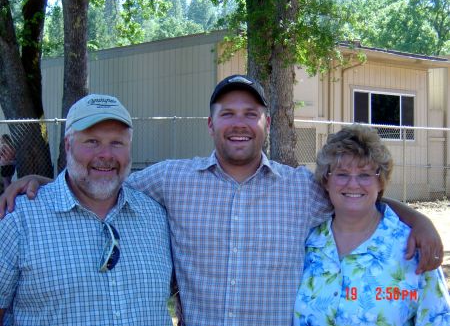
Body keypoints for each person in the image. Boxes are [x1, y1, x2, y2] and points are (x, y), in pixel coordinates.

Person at [0, 76, 444, 326]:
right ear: (210, 123)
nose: (239, 123)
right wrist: (44, 180)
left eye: (250, 114)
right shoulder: (169, 180)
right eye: (227, 113)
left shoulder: (300, 188)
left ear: (267, 123)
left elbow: (354, 192)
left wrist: (416, 219)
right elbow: (102, 178)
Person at [0, 94, 173, 325]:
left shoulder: (156, 217)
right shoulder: (18, 220)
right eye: (92, 141)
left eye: (117, 142)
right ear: (68, 144)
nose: (106, 155)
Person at [293, 124, 450, 325]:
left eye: (365, 175)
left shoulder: (413, 247)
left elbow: (437, 319)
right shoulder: (306, 242)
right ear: (326, 180)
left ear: (381, 182)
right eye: (341, 174)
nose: (353, 184)